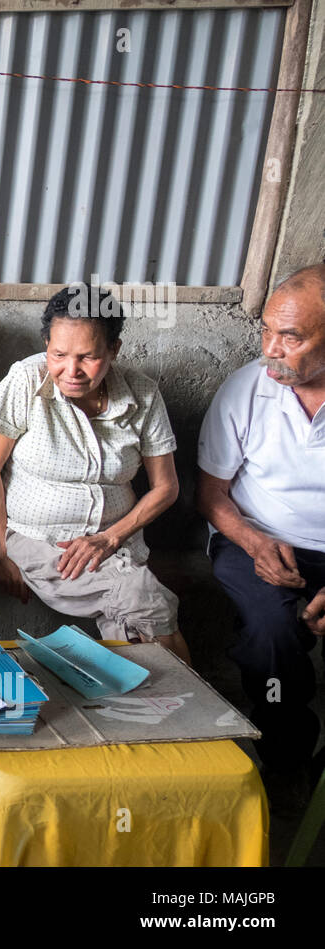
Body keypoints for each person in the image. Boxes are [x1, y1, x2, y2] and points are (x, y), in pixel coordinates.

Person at [0, 286, 190, 663]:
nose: (70, 370)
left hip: (117, 545)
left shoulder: (142, 393)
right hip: (41, 541)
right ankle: (192, 715)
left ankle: (143, 711)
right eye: (58, 354)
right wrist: (1, 553)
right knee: (144, 598)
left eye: (88, 357)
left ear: (114, 350)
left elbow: (166, 487)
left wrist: (110, 538)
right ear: (46, 344)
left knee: (134, 626)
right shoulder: (26, 381)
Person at [197, 263, 325, 809]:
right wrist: (253, 543)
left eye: (291, 337)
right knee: (273, 630)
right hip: (252, 536)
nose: (270, 348)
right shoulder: (247, 388)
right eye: (266, 330)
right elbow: (211, 495)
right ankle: (284, 757)